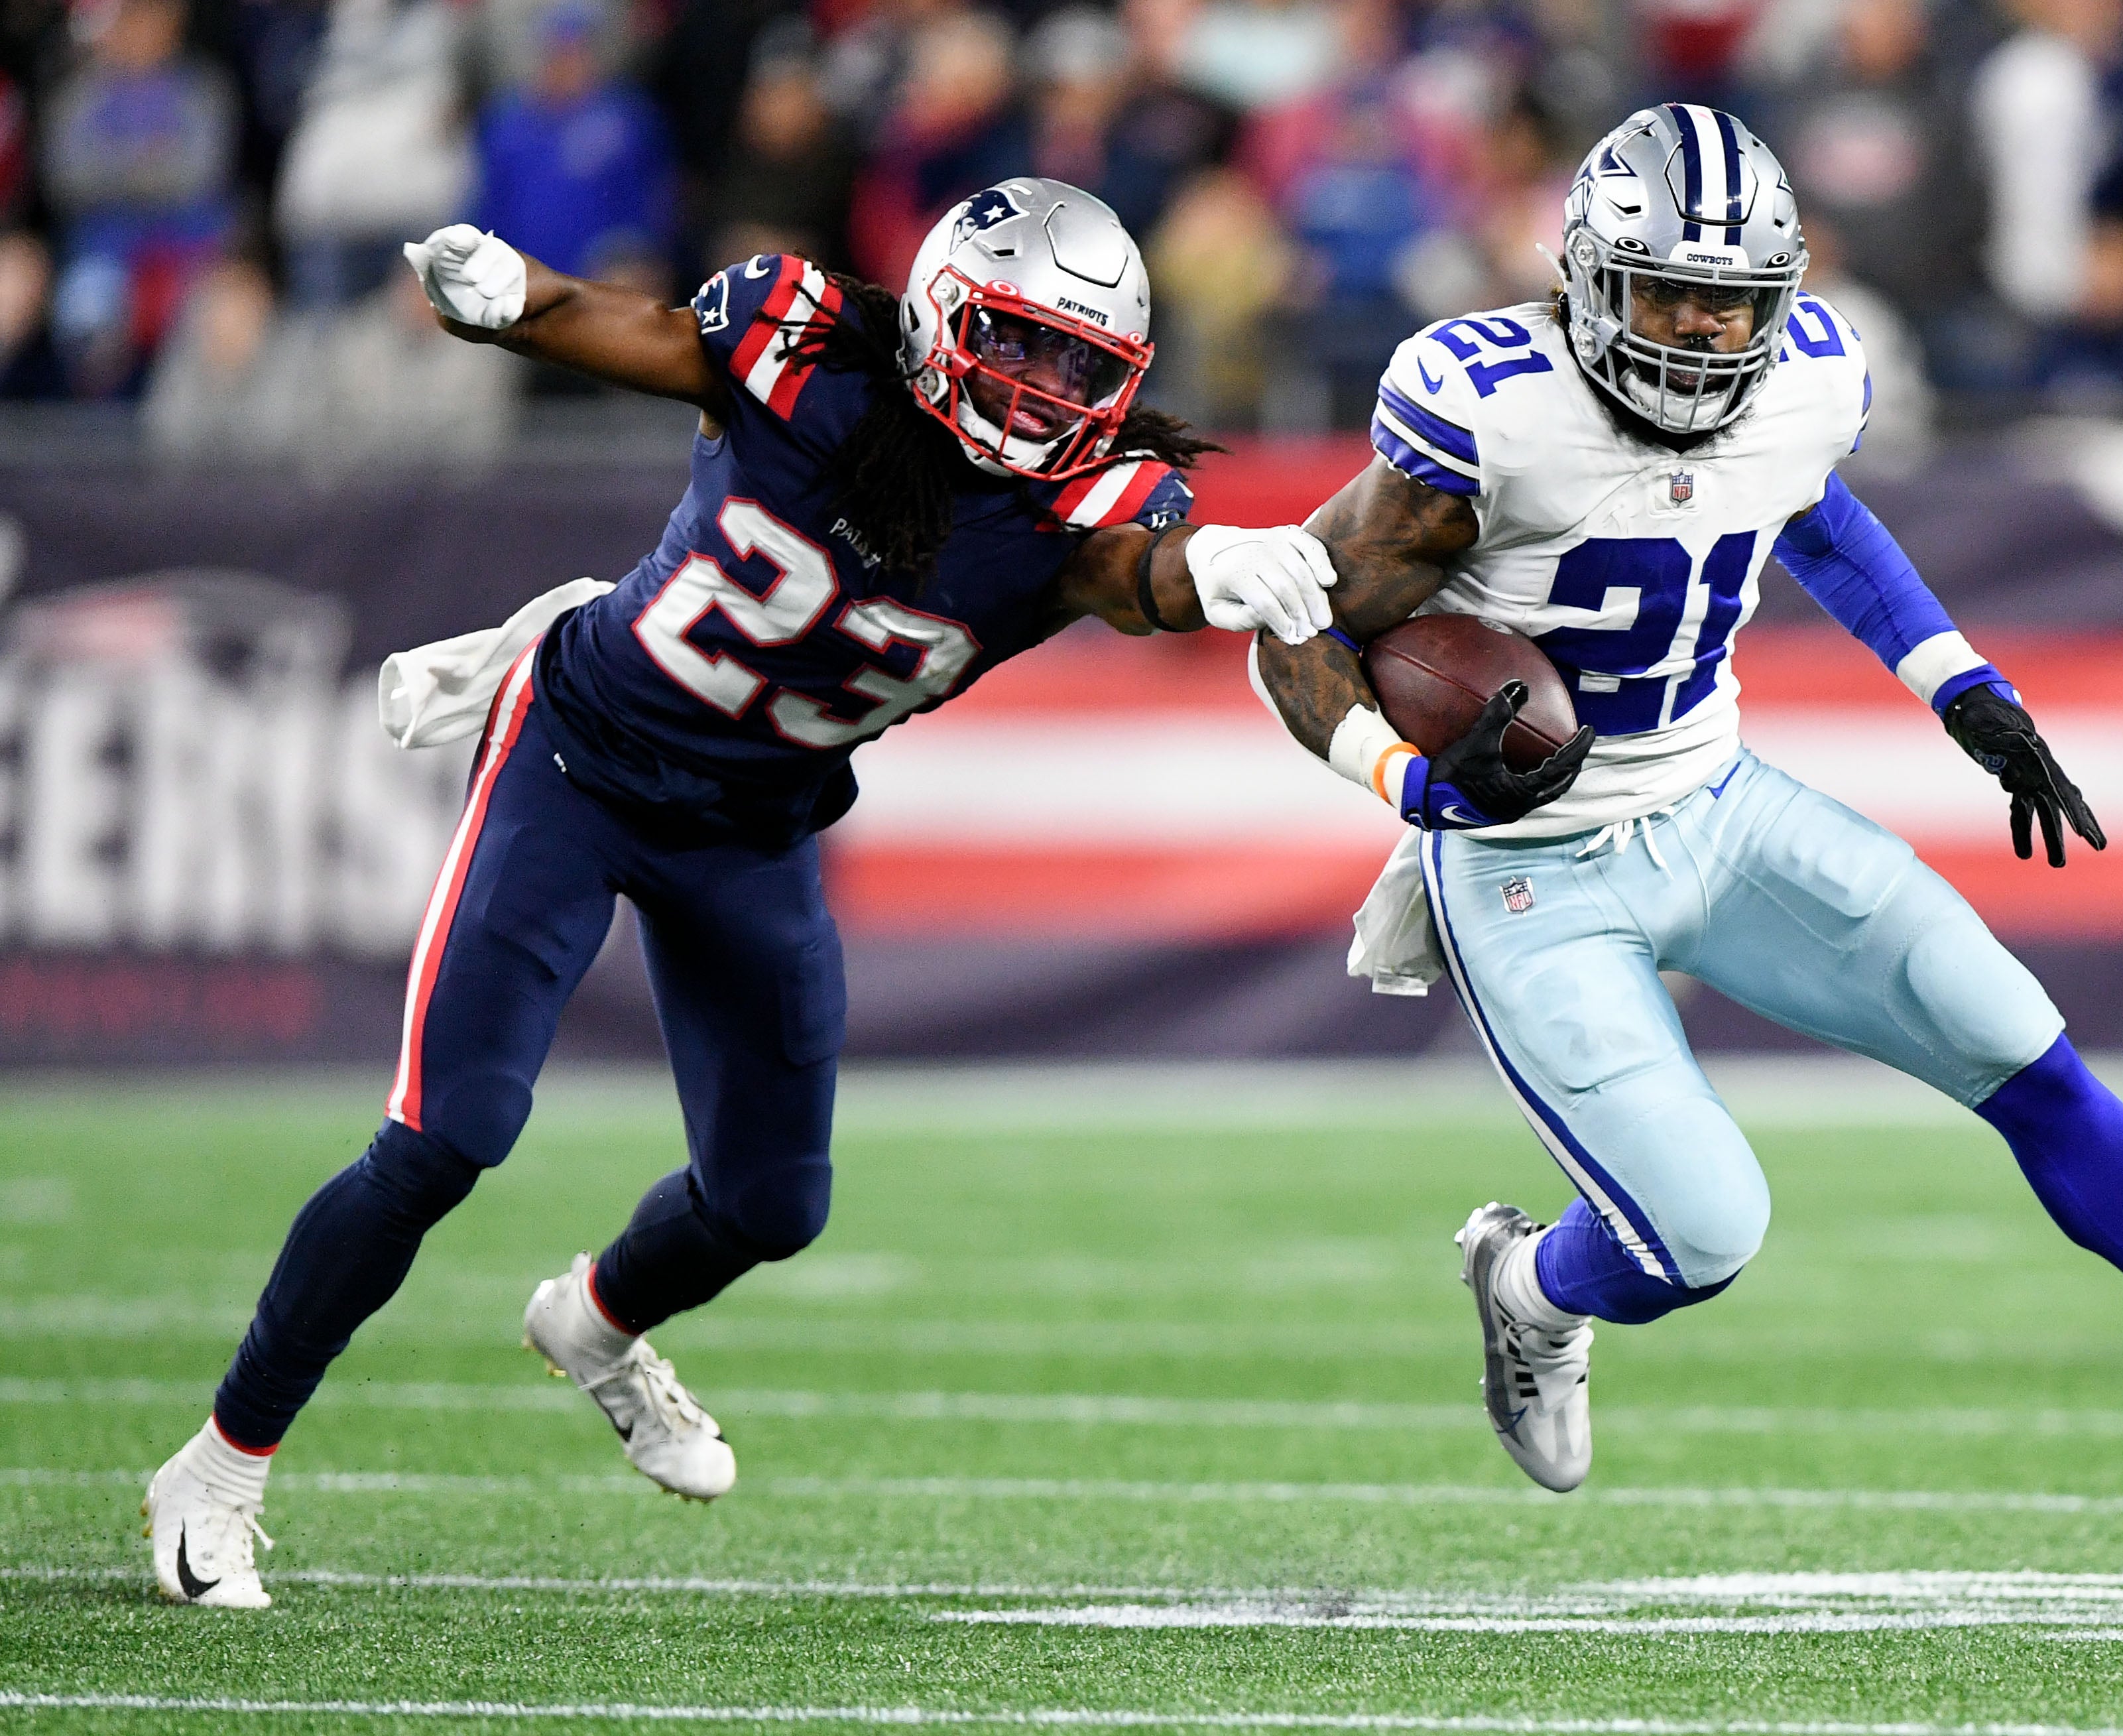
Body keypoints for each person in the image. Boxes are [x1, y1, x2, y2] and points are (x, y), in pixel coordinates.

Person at [139, 177, 1337, 1609]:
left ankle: (594, 1321)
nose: (1042, 391)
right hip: (579, 758)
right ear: (947, 312)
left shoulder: (1076, 509)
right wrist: (513, 299)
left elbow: (1132, 573)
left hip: (756, 825)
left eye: (1080, 368)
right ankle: (218, 1463)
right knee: (448, 1130)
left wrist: (1214, 564)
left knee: (772, 1202)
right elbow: (615, 327)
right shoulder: (806, 365)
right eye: (1018, 345)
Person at [1248, 103, 2123, 1495]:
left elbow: (1812, 507)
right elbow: (1293, 628)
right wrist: (1404, 778)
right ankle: (1530, 1286)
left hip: (1715, 800)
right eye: (1670, 298)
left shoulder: (1804, 379)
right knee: (1697, 1235)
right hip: (1530, 858)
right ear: (1585, 279)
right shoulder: (1486, 410)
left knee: (2021, 1046)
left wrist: (1958, 683)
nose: (1703, 337)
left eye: (1731, 308)